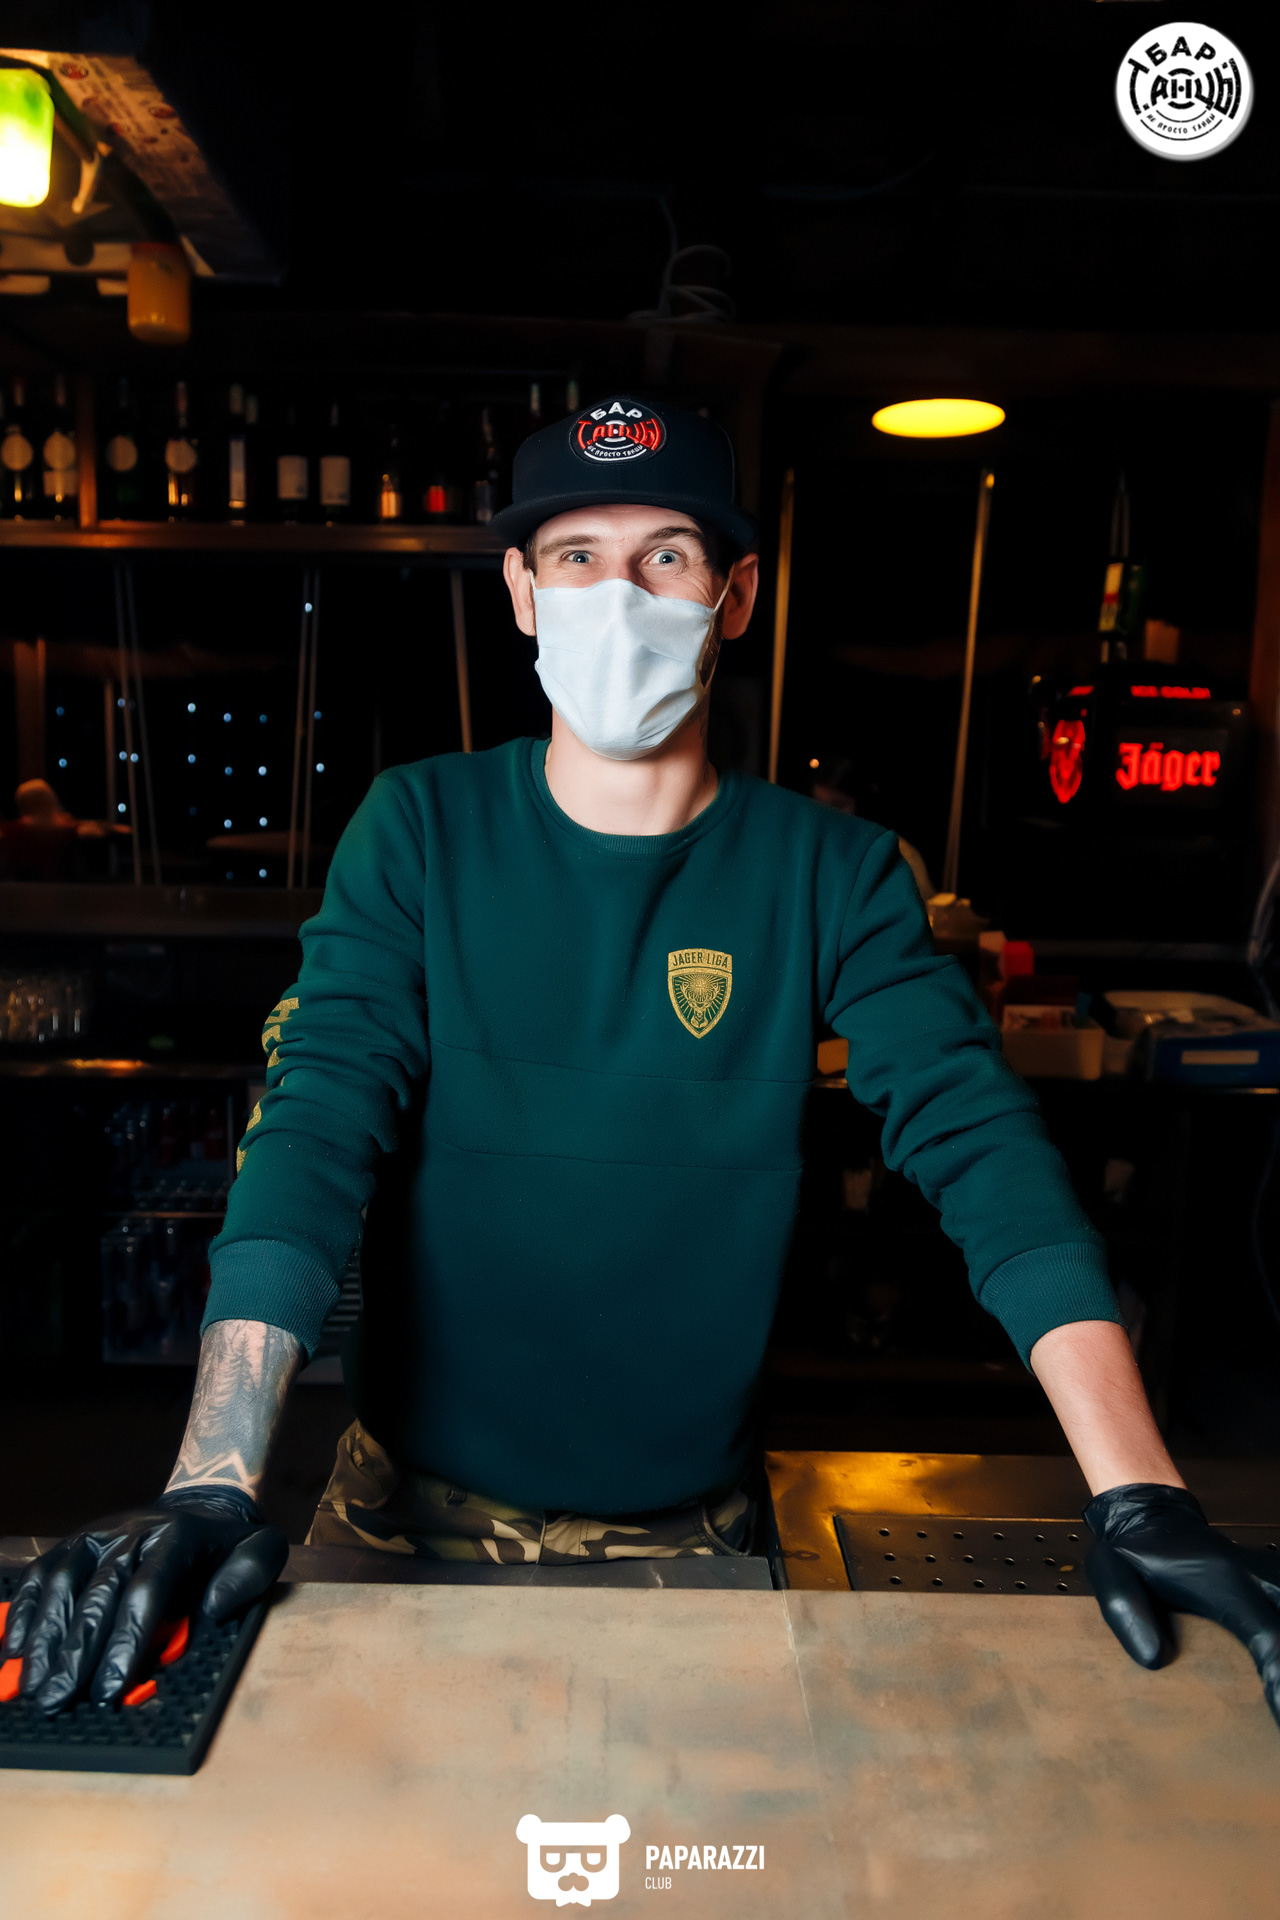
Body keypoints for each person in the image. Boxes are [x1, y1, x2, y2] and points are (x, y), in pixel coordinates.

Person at [5, 397, 1277, 1728]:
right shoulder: (420, 829)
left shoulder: (834, 873)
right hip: (394, 1517)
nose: (618, 597)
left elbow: (978, 1140)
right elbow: (317, 1123)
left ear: (736, 595)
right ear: (522, 592)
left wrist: (1139, 1491)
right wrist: (211, 1481)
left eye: (665, 556)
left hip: (695, 1532)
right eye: (577, 557)